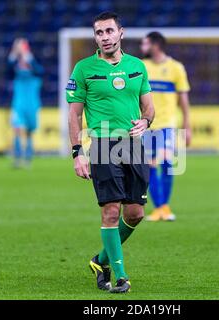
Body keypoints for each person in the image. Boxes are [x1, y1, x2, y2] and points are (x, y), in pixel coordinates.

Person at [66, 12, 155, 293]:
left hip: (134, 146)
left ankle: (100, 260)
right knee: (111, 211)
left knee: (136, 213)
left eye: (108, 31)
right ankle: (120, 276)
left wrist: (146, 121)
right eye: (99, 33)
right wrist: (77, 152)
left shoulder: (137, 66)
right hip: (104, 146)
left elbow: (149, 107)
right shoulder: (83, 69)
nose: (104, 37)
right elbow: (74, 116)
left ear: (121, 33)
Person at [140, 31, 191, 222]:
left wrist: (187, 126)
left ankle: (163, 206)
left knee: (168, 163)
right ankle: (161, 207)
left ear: (155, 45)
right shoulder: (141, 67)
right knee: (150, 166)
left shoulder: (176, 68)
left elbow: (184, 100)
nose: (142, 47)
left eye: (145, 44)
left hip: (168, 125)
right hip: (147, 124)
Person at [7, 38, 44, 168]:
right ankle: (17, 157)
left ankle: (27, 158)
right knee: (16, 128)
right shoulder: (14, 64)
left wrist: (28, 58)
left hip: (32, 103)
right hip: (18, 102)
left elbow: (41, 72)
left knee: (29, 131)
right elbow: (8, 73)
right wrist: (12, 56)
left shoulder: (32, 62)